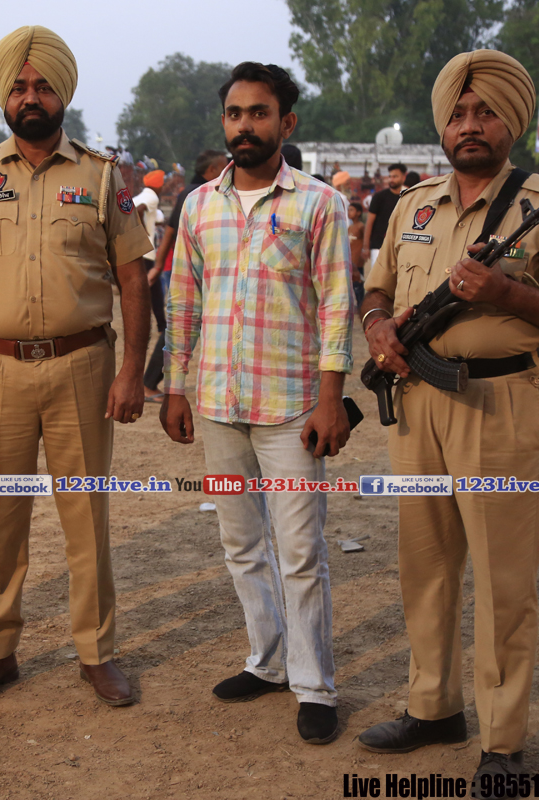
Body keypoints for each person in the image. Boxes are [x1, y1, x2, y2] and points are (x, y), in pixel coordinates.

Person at [357, 50, 539, 790]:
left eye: (486, 112)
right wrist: (377, 328)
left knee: (502, 580)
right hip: (416, 403)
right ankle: (432, 707)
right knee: (425, 565)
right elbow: (375, 289)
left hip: (498, 403)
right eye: (459, 113)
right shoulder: (411, 204)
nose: (470, 125)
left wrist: (506, 292)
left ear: (512, 122)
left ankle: (502, 742)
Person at [0, 25, 152, 711]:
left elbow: (133, 278)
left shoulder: (102, 176)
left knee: (86, 517)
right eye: (20, 87)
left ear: (64, 95)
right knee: (1, 519)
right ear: (4, 97)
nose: (31, 97)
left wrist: (132, 370)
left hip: (82, 365)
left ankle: (97, 653)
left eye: (44, 86)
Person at [161, 61, 354, 745]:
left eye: (259, 113)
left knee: (300, 552)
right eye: (235, 114)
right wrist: (175, 386)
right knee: (241, 544)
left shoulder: (319, 204)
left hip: (293, 407)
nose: (245, 125)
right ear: (224, 122)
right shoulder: (198, 206)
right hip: (218, 404)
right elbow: (182, 302)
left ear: (285, 122)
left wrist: (331, 400)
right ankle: (267, 661)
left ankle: (315, 685)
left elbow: (337, 306)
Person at [143, 149, 229, 401]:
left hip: (204, 271)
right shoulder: (198, 193)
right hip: (195, 271)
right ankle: (149, 382)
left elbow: (170, 229)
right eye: (224, 166)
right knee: (178, 327)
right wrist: (158, 265)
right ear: (211, 171)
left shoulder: (198, 192)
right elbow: (171, 231)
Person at [133, 170, 165, 400]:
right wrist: (143, 234)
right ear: (159, 186)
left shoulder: (141, 195)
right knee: (154, 297)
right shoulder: (151, 196)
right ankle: (162, 328)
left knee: (150, 298)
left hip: (139, 255)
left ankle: (161, 327)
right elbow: (138, 211)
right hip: (147, 256)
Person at [363, 162, 407, 267]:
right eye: (390, 176)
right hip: (379, 246)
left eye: (395, 176)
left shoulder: (406, 197)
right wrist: (365, 247)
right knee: (377, 275)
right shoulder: (379, 197)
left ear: (403, 177)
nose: (391, 179)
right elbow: (369, 222)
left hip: (400, 245)